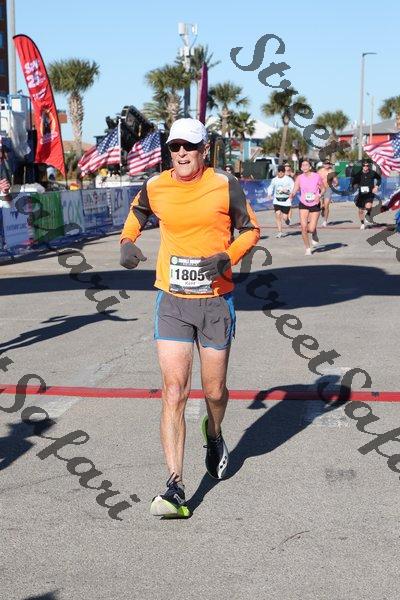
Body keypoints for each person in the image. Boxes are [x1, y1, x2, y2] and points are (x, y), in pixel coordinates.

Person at [119, 118, 260, 518]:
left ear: (204, 150)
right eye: (175, 146)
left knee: (214, 392)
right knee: (174, 391)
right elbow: (137, 212)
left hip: (215, 302)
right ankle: (175, 486)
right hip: (173, 302)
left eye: (189, 146)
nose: (181, 153)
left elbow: (251, 229)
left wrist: (227, 257)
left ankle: (213, 433)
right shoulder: (156, 185)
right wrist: (127, 241)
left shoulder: (224, 184)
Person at [289, 159, 325, 255]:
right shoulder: (299, 178)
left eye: (306, 165)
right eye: (303, 165)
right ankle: (308, 248)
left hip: (315, 203)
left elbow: (323, 188)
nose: (304, 167)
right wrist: (292, 194)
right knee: (304, 227)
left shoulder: (316, 176)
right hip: (303, 203)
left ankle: (314, 232)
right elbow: (295, 188)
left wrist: (319, 195)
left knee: (311, 229)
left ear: (310, 167)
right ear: (301, 168)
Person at [351, 159, 381, 229]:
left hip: (370, 193)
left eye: (367, 166)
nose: (366, 167)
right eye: (364, 165)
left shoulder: (372, 173)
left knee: (368, 206)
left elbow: (379, 179)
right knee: (360, 210)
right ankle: (362, 223)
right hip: (361, 194)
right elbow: (353, 182)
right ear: (362, 166)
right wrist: (354, 186)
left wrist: (376, 186)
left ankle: (368, 215)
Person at [267, 165, 294, 237]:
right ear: (277, 172)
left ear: (284, 172)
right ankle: (280, 232)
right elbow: (271, 187)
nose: (280, 173)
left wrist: (289, 192)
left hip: (286, 201)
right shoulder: (274, 180)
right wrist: (269, 194)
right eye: (279, 171)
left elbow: (293, 188)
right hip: (277, 200)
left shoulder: (289, 179)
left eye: (282, 172)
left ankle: (287, 220)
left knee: (285, 217)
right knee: (278, 214)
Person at [317, 159, 337, 226]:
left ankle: (325, 221)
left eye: (328, 164)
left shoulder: (331, 171)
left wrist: (336, 183)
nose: (327, 165)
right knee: (320, 205)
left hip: (328, 189)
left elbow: (336, 180)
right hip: (320, 189)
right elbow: (315, 180)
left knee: (326, 205)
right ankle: (322, 208)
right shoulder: (319, 171)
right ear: (323, 164)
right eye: (325, 164)